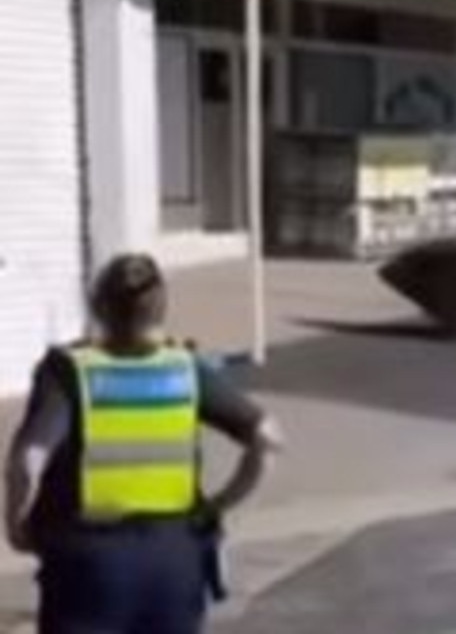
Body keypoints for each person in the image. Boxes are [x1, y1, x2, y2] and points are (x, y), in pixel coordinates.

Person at [4, 253, 284, 634]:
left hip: (87, 570)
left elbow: (29, 458)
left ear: (98, 307)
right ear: (161, 309)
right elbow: (266, 436)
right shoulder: (185, 368)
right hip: (174, 567)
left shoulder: (69, 372)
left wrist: (18, 527)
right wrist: (218, 505)